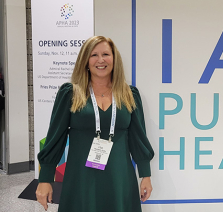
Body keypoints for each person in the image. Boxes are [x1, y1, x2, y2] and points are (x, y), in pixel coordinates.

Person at [35, 36, 154, 212]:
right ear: (86, 61)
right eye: (94, 55)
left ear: (114, 59)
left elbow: (139, 138)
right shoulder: (70, 94)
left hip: (119, 179)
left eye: (106, 54)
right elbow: (55, 138)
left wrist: (145, 174)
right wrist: (45, 178)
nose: (100, 60)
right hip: (81, 179)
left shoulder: (129, 94)